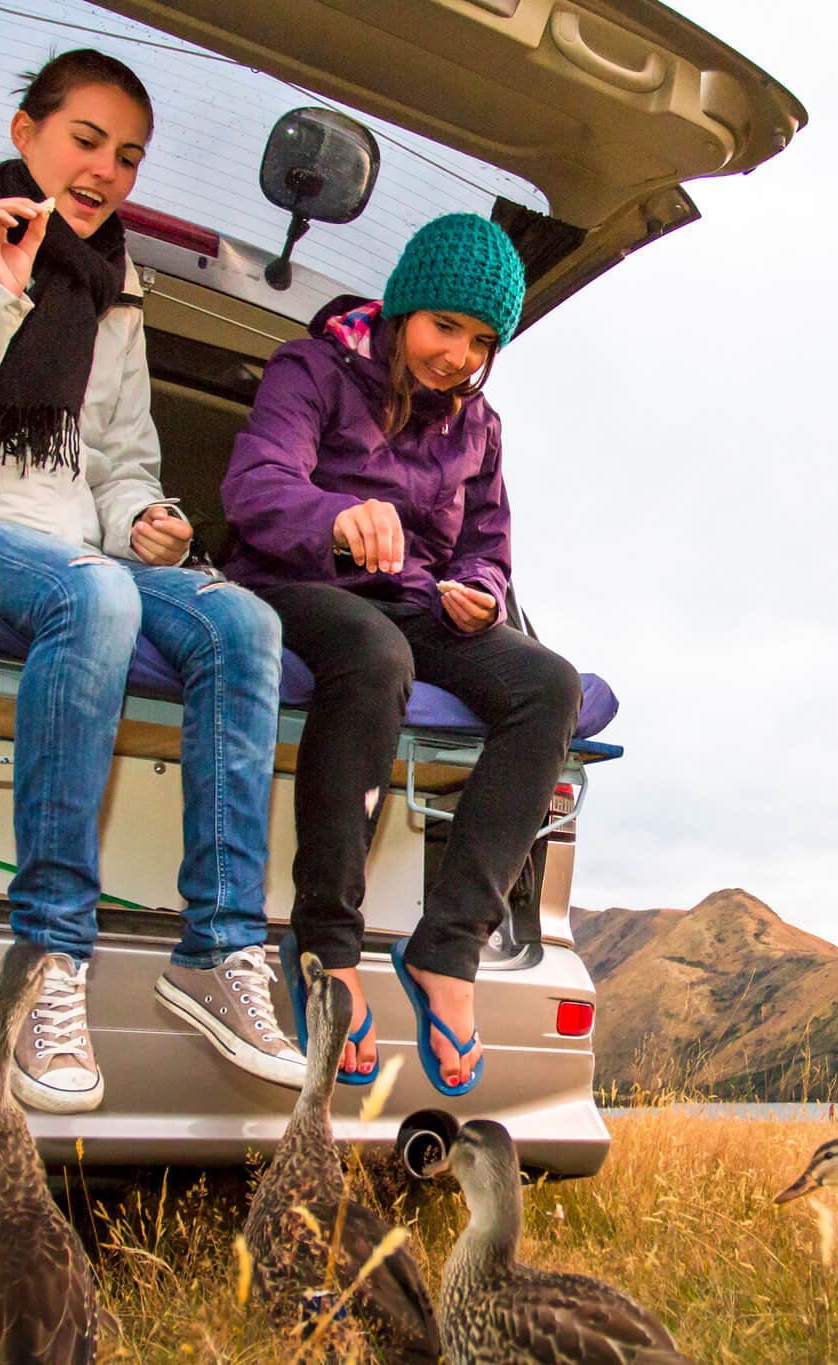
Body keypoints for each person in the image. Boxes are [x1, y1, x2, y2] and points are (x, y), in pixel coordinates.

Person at [0, 49, 306, 1112]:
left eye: (128, 157)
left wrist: (145, 519)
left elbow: (118, 458)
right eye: (85, 141)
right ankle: (49, 960)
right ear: (25, 134)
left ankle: (220, 953)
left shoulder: (115, 293)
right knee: (88, 594)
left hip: (65, 541)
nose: (105, 172)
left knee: (238, 622)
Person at [224, 213, 583, 1096]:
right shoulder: (312, 368)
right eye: (444, 327)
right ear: (402, 308)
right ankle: (328, 943)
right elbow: (255, 484)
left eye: (481, 341)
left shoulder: (478, 427)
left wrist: (480, 591)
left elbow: (489, 544)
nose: (460, 355)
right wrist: (333, 519)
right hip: (295, 579)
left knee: (551, 684)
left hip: (415, 601)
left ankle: (447, 949)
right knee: (374, 651)